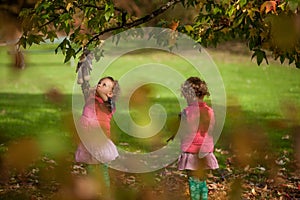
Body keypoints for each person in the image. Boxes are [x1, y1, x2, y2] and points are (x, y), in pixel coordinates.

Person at [75, 76, 120, 198]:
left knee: (102, 168)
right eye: (100, 82)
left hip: (100, 140)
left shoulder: (108, 104)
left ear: (110, 93)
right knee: (90, 167)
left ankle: (106, 194)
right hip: (88, 139)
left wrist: (98, 91)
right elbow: (85, 86)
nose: (99, 85)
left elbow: (106, 100)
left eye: (104, 85)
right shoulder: (92, 98)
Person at [174, 77, 219, 200]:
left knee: (193, 181)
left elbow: (182, 131)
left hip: (191, 152)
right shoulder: (210, 111)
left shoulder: (186, 112)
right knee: (202, 180)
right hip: (205, 152)